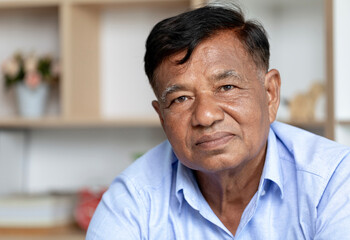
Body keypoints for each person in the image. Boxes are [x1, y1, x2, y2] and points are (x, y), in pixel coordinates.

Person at [86, 3, 350, 239]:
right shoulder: (133, 198)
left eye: (226, 87)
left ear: (270, 94)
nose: (205, 116)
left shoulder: (333, 180)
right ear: (162, 118)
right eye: (180, 99)